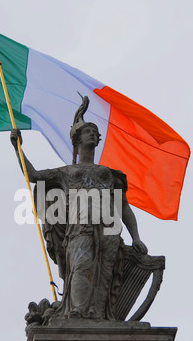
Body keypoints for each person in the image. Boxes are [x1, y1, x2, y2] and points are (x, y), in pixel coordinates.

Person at [10, 96, 147, 320]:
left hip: (109, 228)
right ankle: (77, 313)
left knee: (105, 273)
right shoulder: (67, 172)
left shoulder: (109, 174)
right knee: (81, 267)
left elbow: (123, 207)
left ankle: (101, 317)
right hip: (80, 227)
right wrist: (18, 149)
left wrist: (137, 237)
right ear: (77, 139)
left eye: (94, 131)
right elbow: (34, 176)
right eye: (87, 131)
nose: (92, 134)